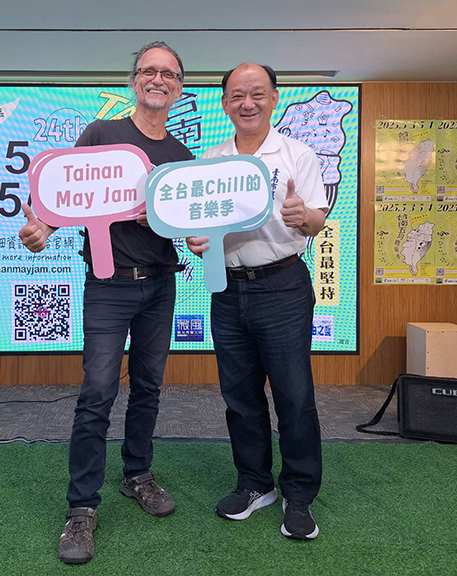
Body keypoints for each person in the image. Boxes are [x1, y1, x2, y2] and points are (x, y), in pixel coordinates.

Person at [18, 41, 193, 565]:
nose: (158, 79)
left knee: (149, 386)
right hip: (108, 283)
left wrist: (187, 230)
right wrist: (43, 230)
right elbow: (66, 198)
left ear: (180, 87)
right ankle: (82, 507)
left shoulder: (181, 157)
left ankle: (137, 475)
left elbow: (188, 226)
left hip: (161, 283)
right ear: (134, 81)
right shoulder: (101, 135)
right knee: (97, 391)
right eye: (148, 71)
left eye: (169, 73)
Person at [187, 63, 328, 540]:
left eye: (257, 93)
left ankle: (299, 493)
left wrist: (304, 215)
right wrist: (196, 242)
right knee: (239, 394)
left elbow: (316, 220)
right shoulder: (211, 160)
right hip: (227, 287)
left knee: (294, 394)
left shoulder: (297, 154)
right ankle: (254, 483)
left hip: (282, 285)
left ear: (274, 98)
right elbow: (199, 229)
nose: (247, 103)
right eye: (237, 95)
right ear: (225, 103)